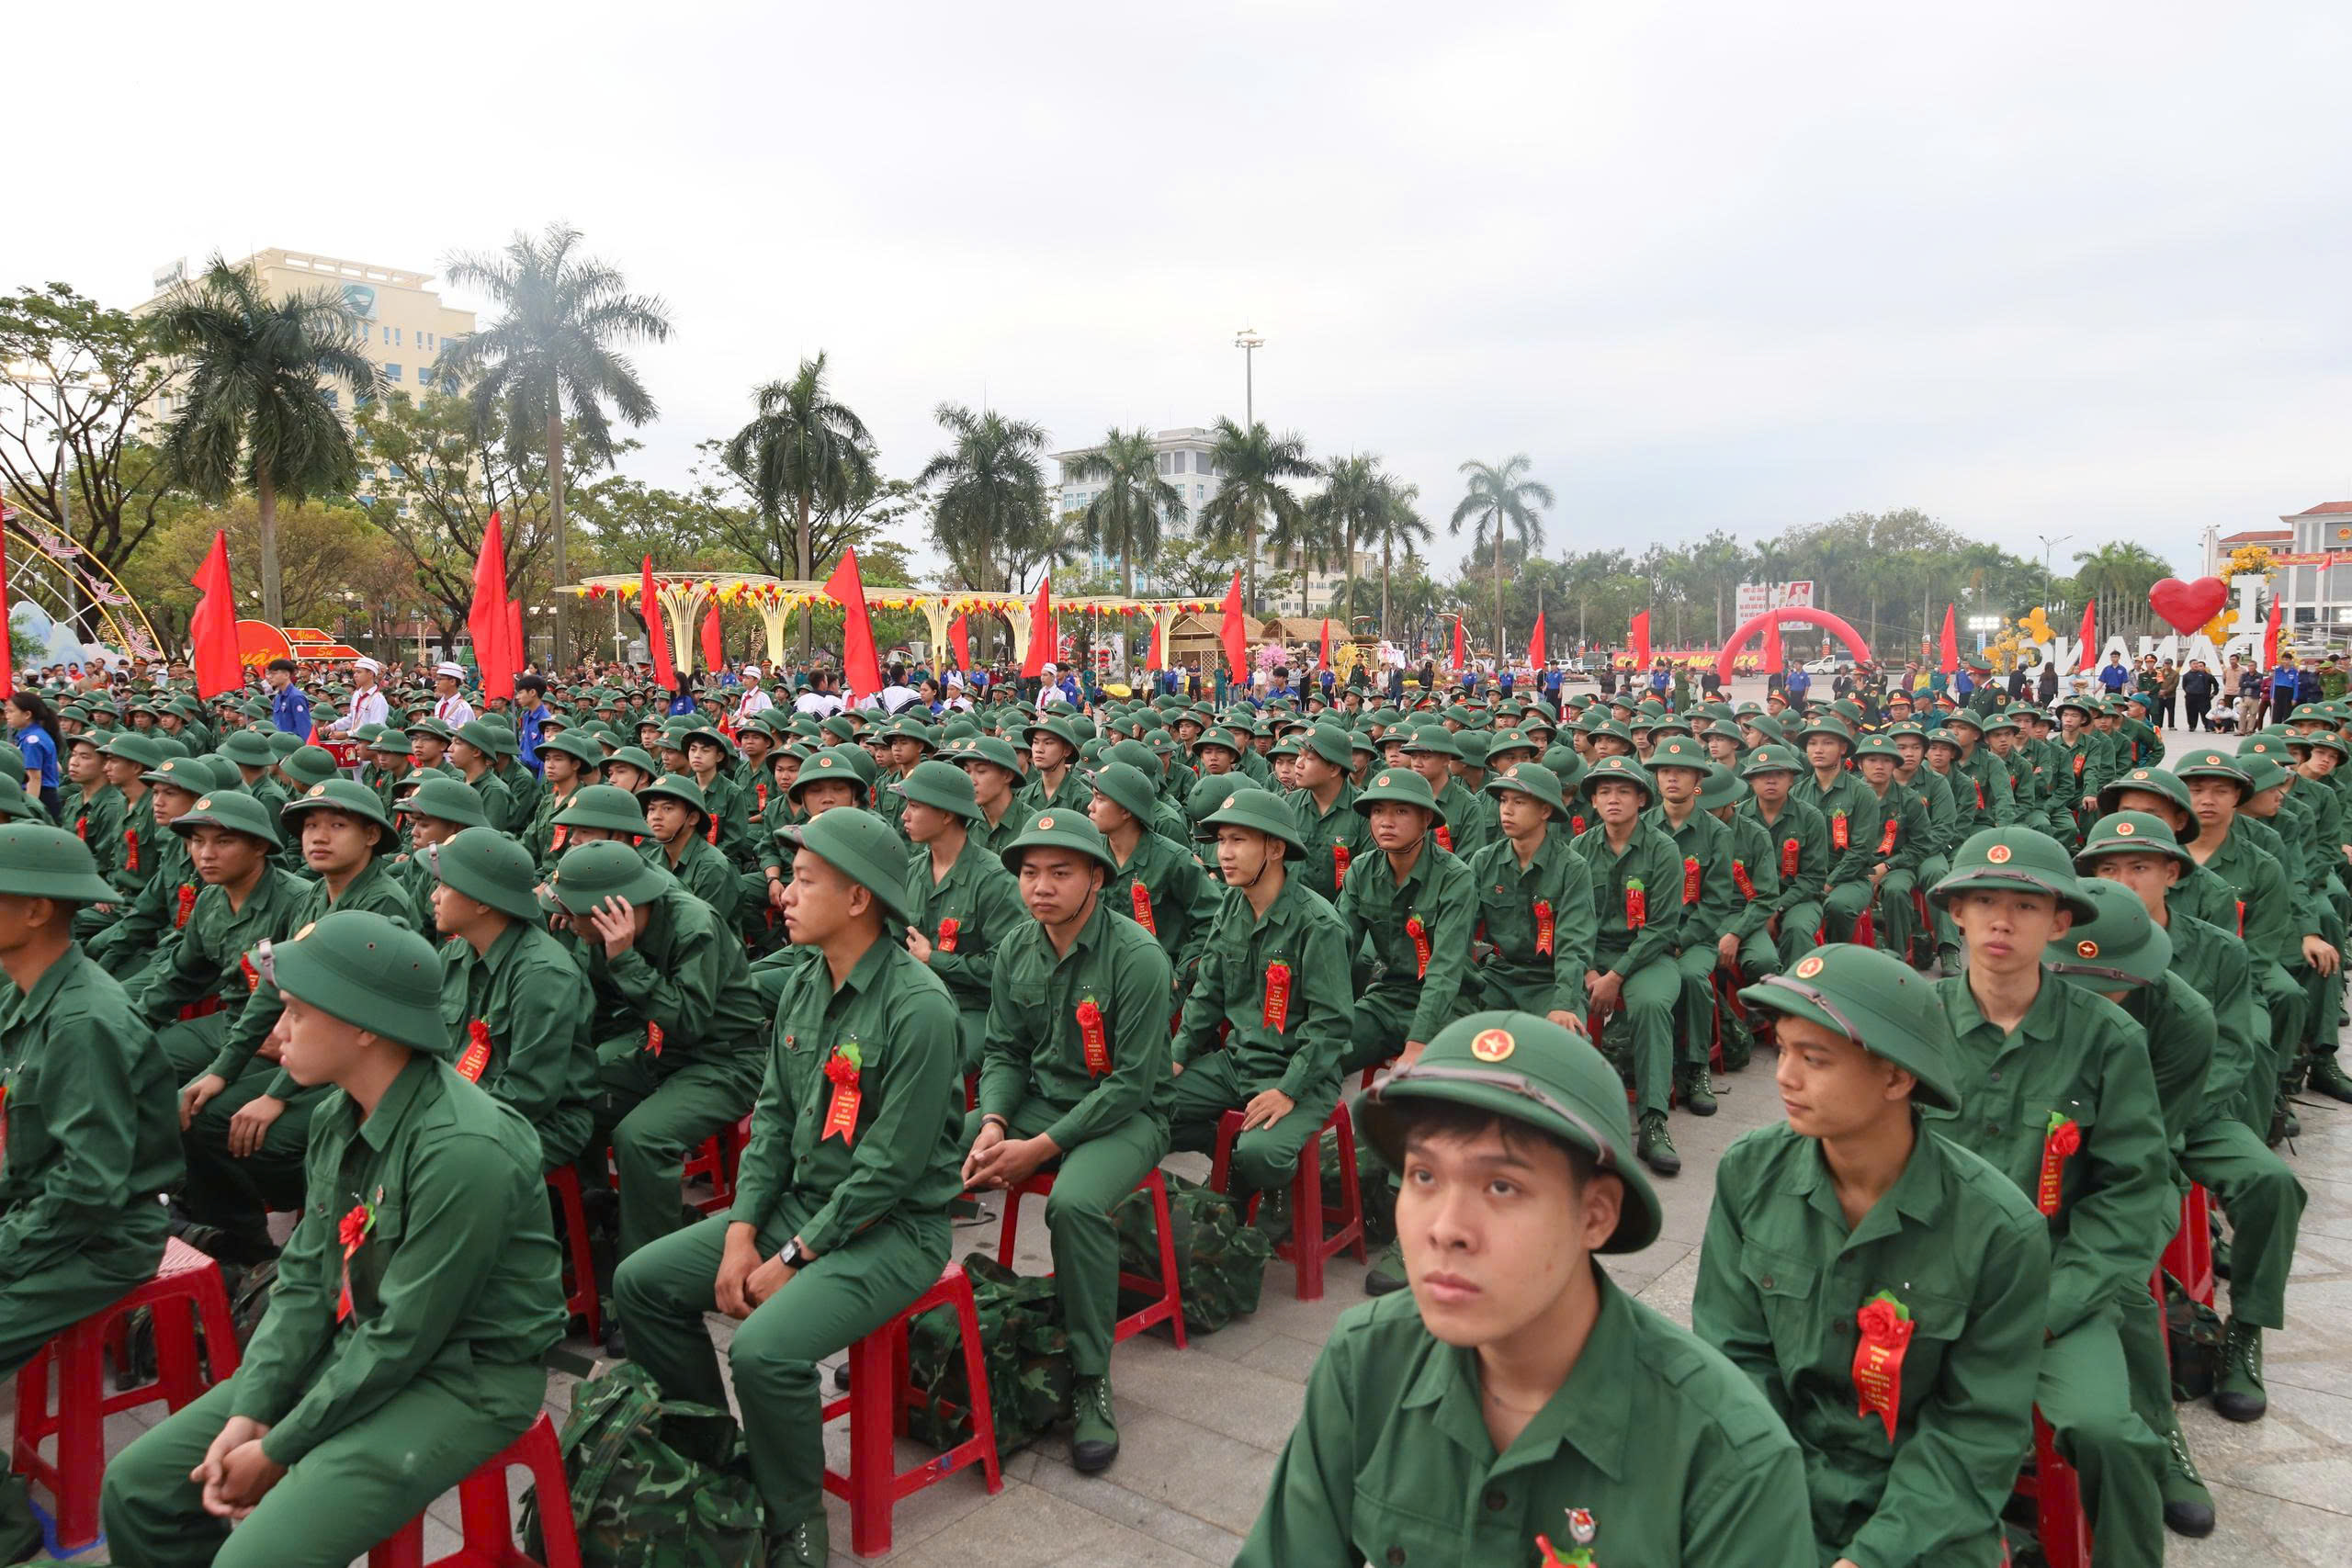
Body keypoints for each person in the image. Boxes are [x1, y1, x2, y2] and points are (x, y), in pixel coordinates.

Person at [1236, 1011, 1814, 1565]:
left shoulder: (1726, 1457)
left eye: (1503, 1187)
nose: (1445, 1229)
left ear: (1595, 1214)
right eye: (1424, 1176)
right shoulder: (1367, 1361)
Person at [100, 910, 568, 1568]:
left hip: (465, 1375)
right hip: (363, 1343)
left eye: (295, 1010)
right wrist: (254, 1407)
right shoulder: (337, 1113)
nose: (277, 1030)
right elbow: (304, 1281)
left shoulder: (465, 1148)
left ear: (365, 1025)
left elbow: (406, 1336)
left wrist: (279, 1446)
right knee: (138, 1487)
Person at [613, 810, 963, 1567]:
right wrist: (742, 1231)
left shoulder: (920, 1007)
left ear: (861, 898)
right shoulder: (805, 984)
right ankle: (720, 1450)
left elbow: (889, 1171)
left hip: (894, 1228)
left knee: (765, 1349)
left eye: (806, 881)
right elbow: (770, 1120)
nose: (786, 897)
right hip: (802, 1207)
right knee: (641, 1282)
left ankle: (797, 1520)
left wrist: (790, 1258)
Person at [1694, 943, 2050, 1567]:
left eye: (1816, 1057)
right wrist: (1772, 1508)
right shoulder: (1749, 1174)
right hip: (1771, 1475)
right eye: (1783, 1047)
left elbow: (1975, 1432)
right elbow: (1734, 1362)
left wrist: (1870, 1557)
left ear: (1895, 1076)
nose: (1784, 1075)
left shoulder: (1998, 1229)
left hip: (1921, 1516)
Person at [1926, 829, 2173, 1568]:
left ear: (2060, 922)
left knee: (2112, 1435)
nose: (2002, 921)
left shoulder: (2107, 1037)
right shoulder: (1913, 1022)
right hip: (1923, 1281)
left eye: (2026, 905)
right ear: (1956, 915)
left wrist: (2055, 1304)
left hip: (2053, 1290)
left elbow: (2130, 1189)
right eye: (1985, 902)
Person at [963, 809, 1173, 1472]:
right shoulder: (1016, 949)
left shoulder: (1136, 956)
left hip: (1125, 1115)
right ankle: (895, 1327)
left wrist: (1041, 1146)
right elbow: (1001, 1050)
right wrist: (995, 1122)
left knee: (1075, 1205)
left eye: (1061, 872)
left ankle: (1091, 1379)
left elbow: (1133, 1084)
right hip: (1037, 1101)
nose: (1041, 887)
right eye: (1029, 872)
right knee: (926, 1151)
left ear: (1097, 878)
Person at [0, 824, 182, 1562]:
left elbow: (90, 1187)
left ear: (38, 908)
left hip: (104, 1236)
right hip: (52, 1212)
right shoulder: (31, 994)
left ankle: (12, 1540)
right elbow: (34, 1152)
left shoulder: (81, 1019)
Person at [549, 840, 767, 1316]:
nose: (565, 918)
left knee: (641, 1139)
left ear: (611, 910)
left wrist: (624, 958)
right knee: (574, 1095)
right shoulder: (601, 931)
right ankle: (600, 1220)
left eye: (572, 912)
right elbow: (602, 1013)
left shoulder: (692, 924)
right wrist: (580, 943)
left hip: (726, 1060)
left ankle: (644, 1286)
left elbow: (688, 1019)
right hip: (658, 1049)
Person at [426, 829, 600, 1170]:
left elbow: (529, 1091)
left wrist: (444, 1126)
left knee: (433, 1169)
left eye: (445, 886)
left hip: (537, 1122)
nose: (434, 897)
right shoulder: (457, 954)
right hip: (462, 1104)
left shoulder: (543, 974)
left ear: (482, 901)